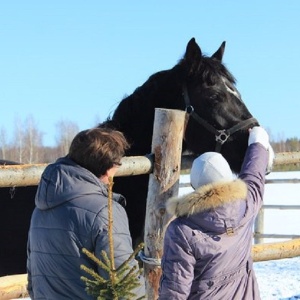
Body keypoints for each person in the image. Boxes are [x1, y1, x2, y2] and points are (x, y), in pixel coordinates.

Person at [27, 127, 145, 299]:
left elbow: (33, 280)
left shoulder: (41, 207)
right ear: (109, 167)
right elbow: (123, 285)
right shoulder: (105, 212)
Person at [158, 126, 274, 300]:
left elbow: (174, 292)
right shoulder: (246, 205)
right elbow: (254, 176)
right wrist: (258, 142)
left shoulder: (181, 231)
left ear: (194, 187)